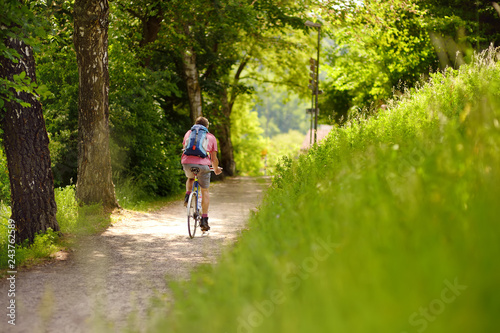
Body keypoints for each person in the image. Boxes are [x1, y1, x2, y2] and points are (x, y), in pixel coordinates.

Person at [181, 116, 222, 231]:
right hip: (203, 166)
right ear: (207, 127)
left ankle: (187, 195)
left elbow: (184, 149)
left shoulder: (188, 133)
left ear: (195, 124)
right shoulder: (211, 137)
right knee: (205, 191)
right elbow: (213, 159)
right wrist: (216, 169)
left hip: (187, 163)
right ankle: (204, 220)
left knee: (190, 178)